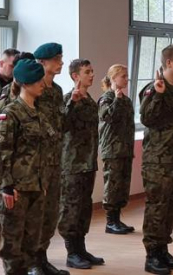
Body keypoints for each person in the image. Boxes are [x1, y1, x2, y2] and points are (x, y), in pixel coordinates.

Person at [139, 45, 173, 275]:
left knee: (172, 207)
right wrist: (159, 95)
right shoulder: (154, 88)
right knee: (157, 208)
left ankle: (163, 250)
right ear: (168, 63)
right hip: (158, 160)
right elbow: (147, 118)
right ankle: (152, 255)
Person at [0, 59, 48, 275]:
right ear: (26, 83)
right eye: (38, 81)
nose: (43, 85)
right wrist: (6, 186)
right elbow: (3, 152)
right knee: (13, 243)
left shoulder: (38, 112)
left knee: (31, 241)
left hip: (35, 185)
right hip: (17, 188)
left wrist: (42, 181)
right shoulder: (11, 113)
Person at [58, 59, 104, 269]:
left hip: (88, 162)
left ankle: (81, 248)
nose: (92, 75)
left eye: (92, 71)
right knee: (71, 209)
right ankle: (71, 252)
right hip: (72, 164)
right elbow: (61, 126)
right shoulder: (69, 99)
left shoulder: (90, 100)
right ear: (75, 76)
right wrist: (72, 104)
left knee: (84, 208)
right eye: (87, 72)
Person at [32, 42, 69, 275]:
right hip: (34, 163)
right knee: (35, 214)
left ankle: (42, 257)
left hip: (55, 161)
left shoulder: (55, 91)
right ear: (42, 62)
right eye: (57, 59)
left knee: (51, 213)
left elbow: (60, 126)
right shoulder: (26, 89)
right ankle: (32, 262)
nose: (61, 63)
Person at [98, 65, 136, 234]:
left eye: (127, 76)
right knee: (112, 185)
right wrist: (117, 100)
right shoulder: (106, 98)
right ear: (113, 79)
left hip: (125, 148)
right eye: (123, 76)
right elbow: (108, 117)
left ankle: (117, 219)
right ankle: (110, 221)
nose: (126, 79)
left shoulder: (126, 100)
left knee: (122, 185)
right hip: (112, 149)